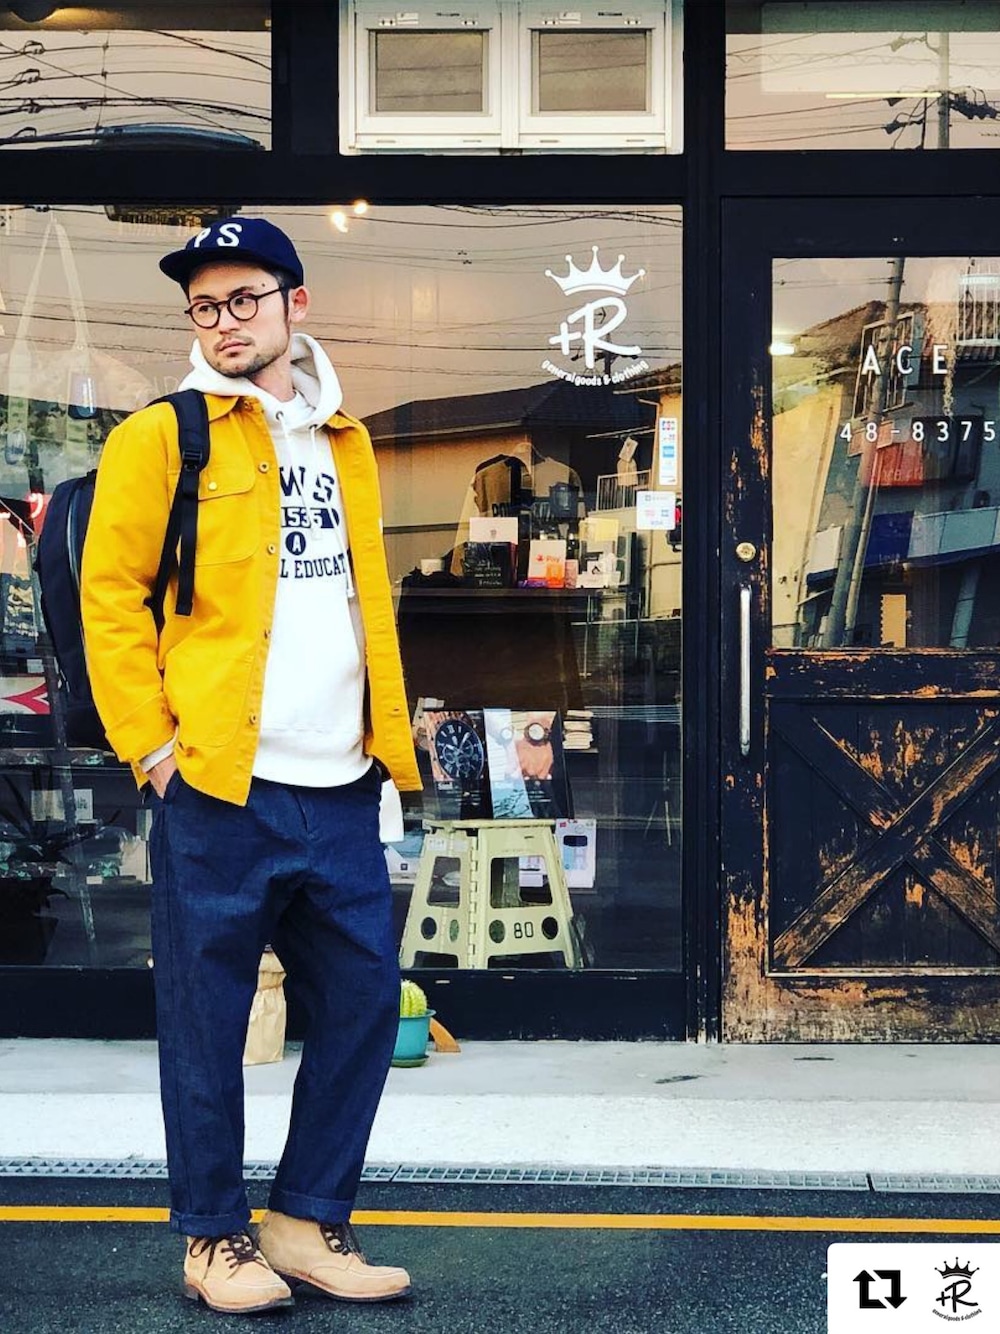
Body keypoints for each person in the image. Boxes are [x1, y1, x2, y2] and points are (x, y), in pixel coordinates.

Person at [80, 216, 421, 1316]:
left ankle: (305, 1220)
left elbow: (359, 601)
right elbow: (110, 601)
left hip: (340, 780)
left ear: (294, 304)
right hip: (219, 784)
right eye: (204, 306)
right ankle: (213, 1236)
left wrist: (384, 745)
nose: (223, 322)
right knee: (207, 1023)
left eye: (243, 299)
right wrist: (155, 751)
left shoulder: (346, 440)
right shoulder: (161, 438)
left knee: (365, 1004)